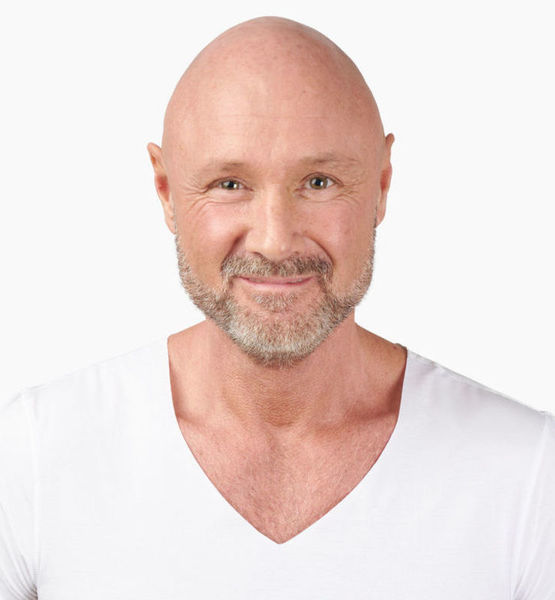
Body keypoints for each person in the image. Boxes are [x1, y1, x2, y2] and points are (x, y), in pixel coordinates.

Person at [0, 16, 553, 600]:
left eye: (318, 182)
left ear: (382, 185)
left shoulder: (526, 474)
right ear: (165, 191)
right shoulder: (35, 453)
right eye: (229, 184)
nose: (274, 241)